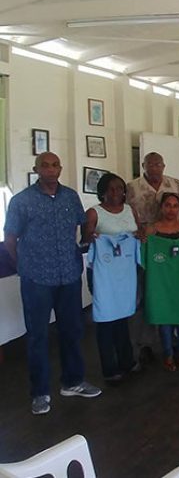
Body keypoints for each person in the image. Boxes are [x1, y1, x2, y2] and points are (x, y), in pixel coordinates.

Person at [4, 152, 102, 415]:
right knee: (37, 336)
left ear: (60, 168)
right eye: (44, 165)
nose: (50, 169)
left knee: (72, 331)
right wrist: (23, 267)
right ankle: (40, 393)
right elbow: (11, 240)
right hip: (36, 279)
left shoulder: (70, 196)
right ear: (36, 169)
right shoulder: (21, 201)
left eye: (54, 165)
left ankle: (73, 382)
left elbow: (82, 229)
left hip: (68, 275)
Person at [126, 152, 179, 364]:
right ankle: (145, 344)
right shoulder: (132, 187)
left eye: (158, 164)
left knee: (173, 294)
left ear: (164, 165)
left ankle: (174, 344)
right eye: (150, 164)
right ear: (143, 166)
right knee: (145, 297)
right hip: (147, 244)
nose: (155, 167)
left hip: (174, 242)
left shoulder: (175, 184)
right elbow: (126, 215)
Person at [81, 173, 142, 383]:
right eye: (111, 189)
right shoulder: (93, 213)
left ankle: (127, 361)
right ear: (103, 191)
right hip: (103, 272)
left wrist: (138, 237)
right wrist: (94, 237)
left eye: (119, 188)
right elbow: (85, 240)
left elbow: (140, 232)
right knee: (105, 319)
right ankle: (109, 368)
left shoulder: (130, 210)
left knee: (123, 317)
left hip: (125, 272)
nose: (116, 193)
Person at [145, 193, 179, 371]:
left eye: (175, 206)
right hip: (160, 282)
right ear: (161, 207)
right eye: (167, 205)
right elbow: (143, 256)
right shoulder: (152, 229)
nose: (171, 209)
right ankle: (168, 354)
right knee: (164, 317)